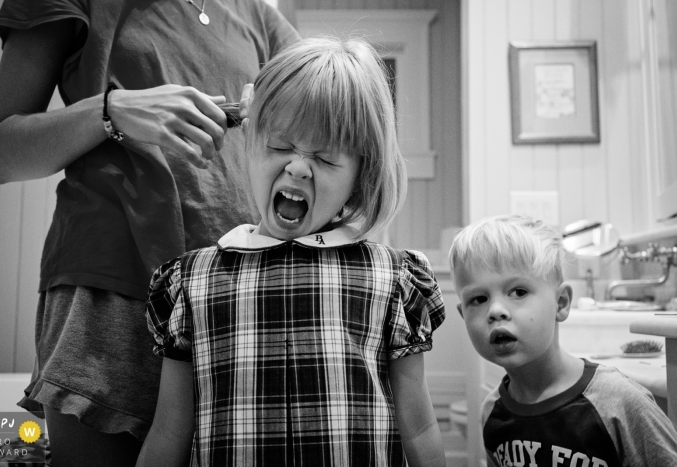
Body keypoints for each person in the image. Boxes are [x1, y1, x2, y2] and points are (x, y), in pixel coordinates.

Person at [0, 1, 299, 466]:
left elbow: (326, 103)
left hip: (234, 295)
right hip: (113, 287)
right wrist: (112, 110)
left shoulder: (258, 15)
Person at [139, 35, 447, 467]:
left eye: (324, 157)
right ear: (249, 144)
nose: (298, 167)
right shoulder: (193, 281)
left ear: (361, 175)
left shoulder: (391, 279)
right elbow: (170, 430)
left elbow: (419, 427)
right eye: (281, 146)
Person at [449, 214, 677, 467]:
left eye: (518, 292)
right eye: (478, 299)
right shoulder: (492, 411)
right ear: (463, 315)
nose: (495, 311)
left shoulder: (620, 403)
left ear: (561, 303)